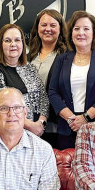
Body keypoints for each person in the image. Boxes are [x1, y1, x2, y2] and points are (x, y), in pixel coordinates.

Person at [48, 11, 95, 149]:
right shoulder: (62, 59)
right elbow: (53, 92)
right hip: (67, 127)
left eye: (86, 29)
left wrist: (85, 117)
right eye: (76, 28)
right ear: (71, 33)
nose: (81, 33)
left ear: (94, 33)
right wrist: (71, 118)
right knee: (67, 168)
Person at [0, 24, 49, 136]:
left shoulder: (30, 67)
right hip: (6, 135)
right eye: (8, 40)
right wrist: (31, 126)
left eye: (17, 40)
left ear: (22, 44)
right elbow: (1, 107)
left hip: (35, 135)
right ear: (0, 44)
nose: (13, 44)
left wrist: (41, 123)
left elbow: (44, 99)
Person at [28, 9, 70, 147]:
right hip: (30, 125)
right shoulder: (28, 56)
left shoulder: (67, 56)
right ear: (37, 28)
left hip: (56, 125)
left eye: (53, 25)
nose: (48, 29)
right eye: (43, 25)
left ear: (60, 29)